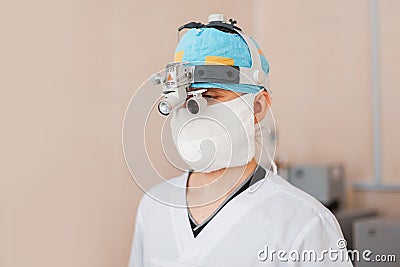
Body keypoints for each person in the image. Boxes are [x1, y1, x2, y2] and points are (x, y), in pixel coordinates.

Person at [128, 15, 353, 267]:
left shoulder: (305, 222)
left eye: (209, 97)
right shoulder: (153, 207)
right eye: (182, 100)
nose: (192, 113)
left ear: (257, 107)